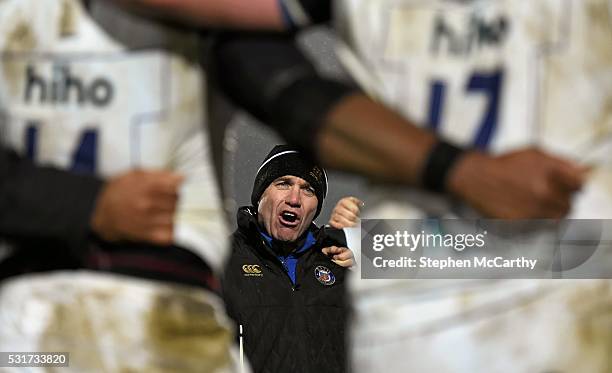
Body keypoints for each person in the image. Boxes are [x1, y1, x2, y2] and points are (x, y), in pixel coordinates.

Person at [222, 145, 350, 373]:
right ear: (260, 195)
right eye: (283, 183)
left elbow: (432, 253)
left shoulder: (339, 258)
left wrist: (362, 246)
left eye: (308, 189)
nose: (294, 199)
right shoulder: (222, 260)